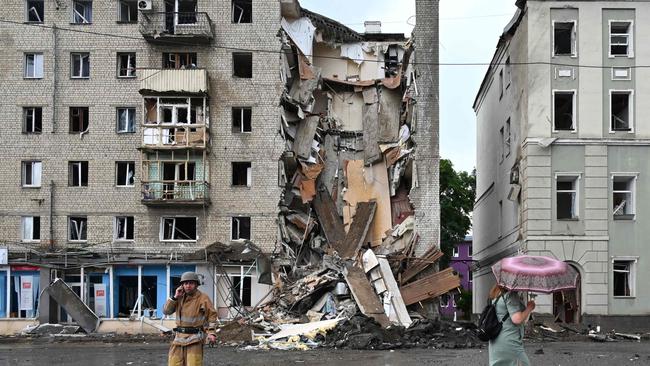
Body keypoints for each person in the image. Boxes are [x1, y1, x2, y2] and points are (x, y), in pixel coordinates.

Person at [163, 272, 219, 366]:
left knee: (193, 363)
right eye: (186, 283)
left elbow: (211, 316)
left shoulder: (203, 298)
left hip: (195, 339)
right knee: (174, 363)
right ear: (182, 285)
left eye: (191, 283)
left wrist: (211, 333)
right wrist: (175, 297)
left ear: (196, 285)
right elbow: (166, 311)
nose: (188, 286)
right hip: (178, 338)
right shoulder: (179, 297)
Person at [488, 284, 536, 366]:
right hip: (509, 341)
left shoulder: (496, 294)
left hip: (495, 342)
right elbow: (517, 319)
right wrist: (529, 308)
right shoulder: (511, 295)